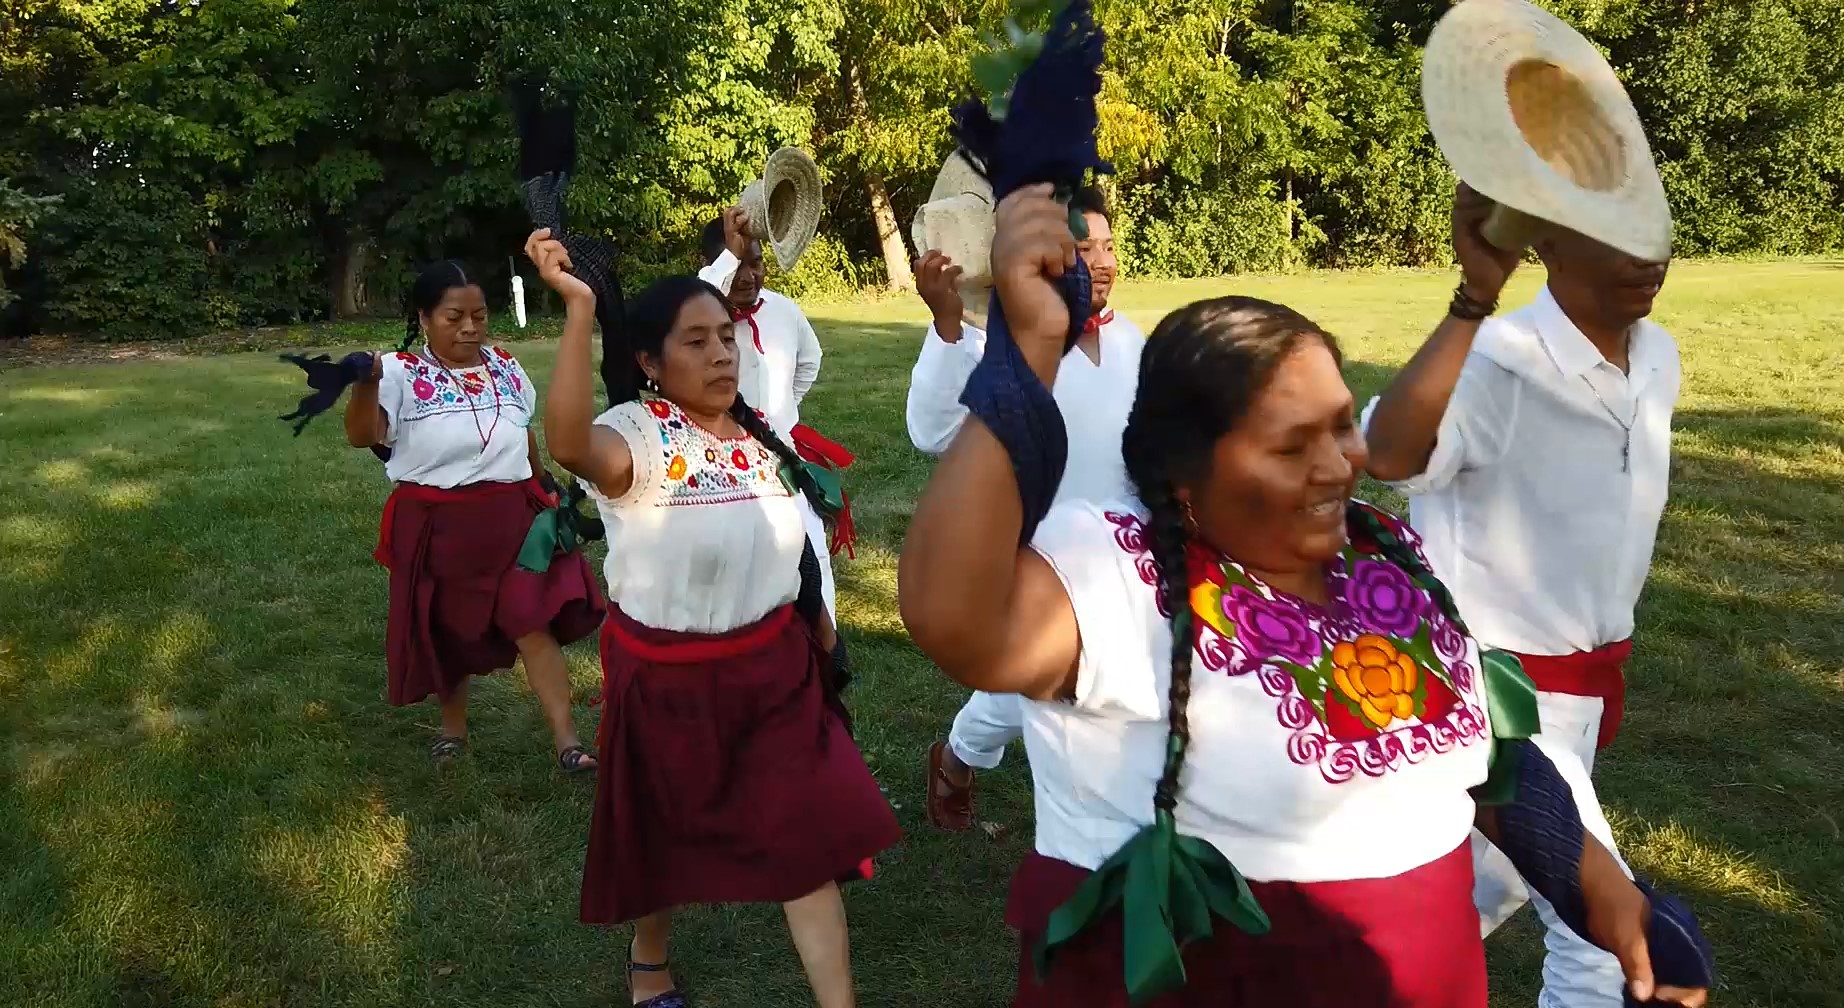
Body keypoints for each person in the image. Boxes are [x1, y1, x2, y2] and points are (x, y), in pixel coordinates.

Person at [898, 185, 1707, 1007]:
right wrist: (1031, 347)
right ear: (1185, 474)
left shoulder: (1385, 560)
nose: (1337, 466)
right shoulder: (1121, 574)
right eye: (1291, 445)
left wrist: (1603, 893)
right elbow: (949, 614)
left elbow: (1483, 748)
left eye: (1341, 424)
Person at [525, 228, 899, 1008]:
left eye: (726, 337)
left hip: (774, 675)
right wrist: (579, 310)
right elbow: (565, 440)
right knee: (665, 829)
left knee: (806, 840)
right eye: (696, 342)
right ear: (651, 364)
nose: (722, 353)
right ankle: (649, 953)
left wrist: (821, 639)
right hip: (669, 676)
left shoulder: (760, 438)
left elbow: (788, 553)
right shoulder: (637, 436)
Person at [1362, 183, 1680, 1008]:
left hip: (1584, 689)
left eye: (1653, 234)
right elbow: (1387, 452)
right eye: (1616, 239)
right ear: (1548, 244)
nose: (1646, 260)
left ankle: (1317, 969)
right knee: (1602, 943)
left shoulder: (1659, 356)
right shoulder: (1496, 364)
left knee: (1471, 895)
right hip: (1497, 698)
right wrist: (1473, 298)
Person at [906, 185, 1146, 831]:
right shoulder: (1015, 349)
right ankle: (967, 761)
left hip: (1135, 552)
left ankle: (961, 759)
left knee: (1089, 683)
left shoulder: (1132, 340)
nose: (1100, 261)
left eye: (1108, 245)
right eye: (1081, 247)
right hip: (1051, 552)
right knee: (1037, 689)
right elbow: (929, 431)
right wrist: (949, 326)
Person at [342, 260, 605, 771]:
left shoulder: (505, 364)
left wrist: (544, 482)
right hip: (439, 525)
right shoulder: (398, 373)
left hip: (513, 521)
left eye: (480, 316)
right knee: (449, 627)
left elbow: (522, 431)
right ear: (424, 318)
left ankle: (568, 743)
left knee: (532, 622)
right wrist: (365, 384)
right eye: (454, 316)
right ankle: (452, 731)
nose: (470, 327)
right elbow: (362, 435)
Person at [697, 208, 846, 617]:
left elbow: (809, 362)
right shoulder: (699, 310)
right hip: (723, 463)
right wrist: (728, 257)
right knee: (739, 565)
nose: (748, 276)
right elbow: (702, 292)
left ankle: (824, 640)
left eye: (757, 263)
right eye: (737, 264)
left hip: (784, 456)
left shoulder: (783, 310)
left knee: (810, 547)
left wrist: (781, 411)